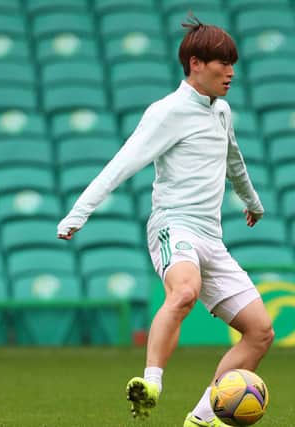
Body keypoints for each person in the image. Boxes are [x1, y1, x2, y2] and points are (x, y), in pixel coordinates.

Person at [57, 14, 274, 427]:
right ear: (195, 63)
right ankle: (151, 382)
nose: (230, 72)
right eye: (221, 63)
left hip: (212, 236)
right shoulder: (167, 112)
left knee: (260, 332)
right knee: (185, 292)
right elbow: (122, 164)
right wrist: (78, 213)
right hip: (174, 226)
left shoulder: (222, 111)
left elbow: (234, 160)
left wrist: (253, 201)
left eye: (233, 64)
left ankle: (202, 418)